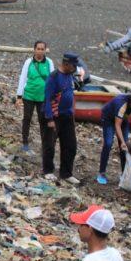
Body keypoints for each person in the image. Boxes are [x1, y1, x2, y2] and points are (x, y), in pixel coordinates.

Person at [43, 52, 80, 184]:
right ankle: (47, 171)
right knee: (50, 144)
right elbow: (47, 98)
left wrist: (73, 111)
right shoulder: (54, 77)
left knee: (70, 145)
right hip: (54, 116)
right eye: (73, 65)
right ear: (66, 64)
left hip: (67, 116)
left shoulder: (70, 76)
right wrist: (50, 119)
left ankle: (66, 173)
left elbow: (71, 94)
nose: (75, 68)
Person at [97, 92, 131, 185]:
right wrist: (122, 141)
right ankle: (102, 173)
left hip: (123, 119)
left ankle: (124, 173)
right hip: (108, 118)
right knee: (108, 143)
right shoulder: (121, 104)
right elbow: (117, 125)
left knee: (124, 148)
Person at [16, 40, 54, 154]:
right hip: (29, 95)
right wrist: (19, 96)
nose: (40, 51)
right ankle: (25, 143)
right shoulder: (28, 62)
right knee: (27, 119)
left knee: (42, 120)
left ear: (45, 50)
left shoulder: (49, 62)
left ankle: (44, 144)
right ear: (34, 49)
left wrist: (52, 96)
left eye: (42, 49)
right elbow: (22, 78)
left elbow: (52, 79)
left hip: (43, 97)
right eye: (38, 49)